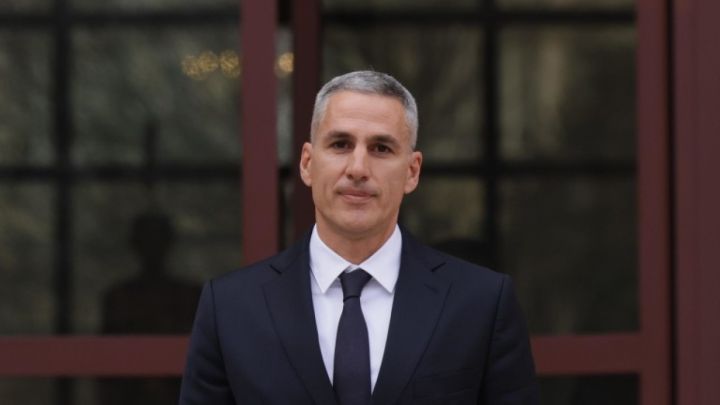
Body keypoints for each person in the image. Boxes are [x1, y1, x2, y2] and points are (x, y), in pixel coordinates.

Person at [179, 70, 539, 405]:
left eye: (381, 148)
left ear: (412, 171)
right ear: (307, 163)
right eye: (340, 144)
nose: (358, 168)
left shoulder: (481, 304)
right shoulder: (229, 308)